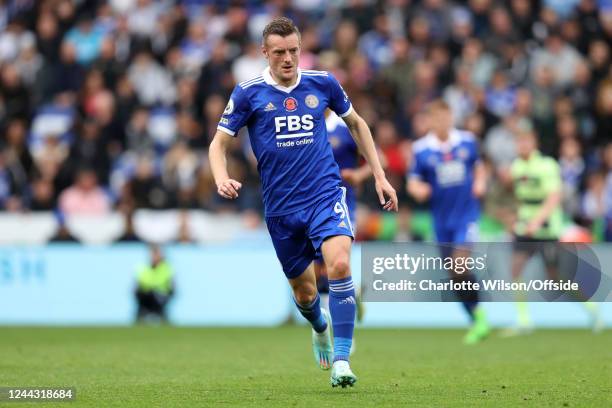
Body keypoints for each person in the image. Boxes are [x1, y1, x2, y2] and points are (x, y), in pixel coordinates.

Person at [209, 17, 398, 388]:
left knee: (340, 264)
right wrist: (221, 176)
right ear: (265, 53)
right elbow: (219, 143)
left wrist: (379, 175)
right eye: (279, 52)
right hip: (281, 209)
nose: (288, 59)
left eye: (293, 50)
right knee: (306, 293)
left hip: (325, 195)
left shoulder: (323, 83)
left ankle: (343, 361)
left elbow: (357, 124)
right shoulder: (248, 93)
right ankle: (320, 326)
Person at [407, 100, 491, 345]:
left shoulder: (467, 141)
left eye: (447, 117)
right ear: (431, 120)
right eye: (438, 118)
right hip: (441, 221)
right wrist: (417, 189)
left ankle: (481, 317)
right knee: (454, 275)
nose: (443, 122)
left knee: (459, 265)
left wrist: (480, 182)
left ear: (451, 117)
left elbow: (479, 168)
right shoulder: (421, 149)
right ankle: (476, 319)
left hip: (467, 215)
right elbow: (413, 180)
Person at [507, 129, 602, 334]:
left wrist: (537, 221)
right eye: (519, 141)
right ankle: (524, 321)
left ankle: (593, 310)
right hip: (526, 229)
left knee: (556, 278)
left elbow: (553, 198)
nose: (522, 145)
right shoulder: (516, 167)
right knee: (515, 269)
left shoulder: (546, 165)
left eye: (526, 141)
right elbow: (519, 198)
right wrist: (516, 218)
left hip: (547, 229)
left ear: (534, 142)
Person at [135, 244, 174, 323]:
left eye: (156, 254)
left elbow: (163, 281)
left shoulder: (166, 267)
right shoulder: (145, 267)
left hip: (161, 294)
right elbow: (141, 280)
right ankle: (141, 318)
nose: (154, 257)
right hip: (147, 294)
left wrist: (151, 285)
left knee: (155, 295)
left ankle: (160, 316)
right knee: (140, 293)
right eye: (153, 254)